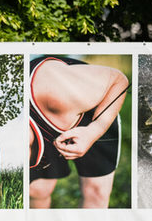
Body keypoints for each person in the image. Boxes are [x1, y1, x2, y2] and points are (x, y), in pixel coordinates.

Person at [29, 56, 129, 209]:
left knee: (96, 192)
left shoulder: (55, 89)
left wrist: (95, 130)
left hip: (93, 111)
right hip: (41, 125)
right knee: (37, 190)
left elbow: (118, 81)